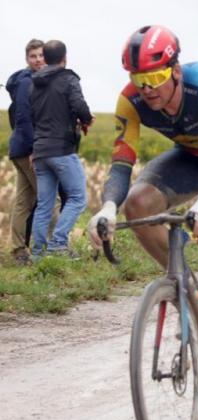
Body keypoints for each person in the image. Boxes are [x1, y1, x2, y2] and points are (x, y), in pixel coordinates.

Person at [86, 25, 198, 420]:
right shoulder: (130, 101)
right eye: (138, 80)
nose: (147, 89)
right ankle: (194, 292)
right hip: (190, 155)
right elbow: (121, 163)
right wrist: (107, 207)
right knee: (138, 202)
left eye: (154, 78)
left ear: (176, 69)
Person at [29, 40, 91, 259]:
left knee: (44, 204)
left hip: (40, 151)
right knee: (78, 198)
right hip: (62, 150)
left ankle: (37, 253)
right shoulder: (68, 79)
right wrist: (86, 120)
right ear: (64, 57)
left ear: (44, 58)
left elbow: (34, 117)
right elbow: (80, 106)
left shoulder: (33, 83)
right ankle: (58, 244)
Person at [6, 39, 45, 264]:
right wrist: (34, 148)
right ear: (27, 59)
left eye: (41, 55)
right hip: (27, 149)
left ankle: (18, 251)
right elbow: (24, 118)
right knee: (50, 198)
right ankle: (52, 248)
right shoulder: (25, 84)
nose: (38, 60)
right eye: (33, 56)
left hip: (21, 148)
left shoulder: (33, 80)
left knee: (24, 200)